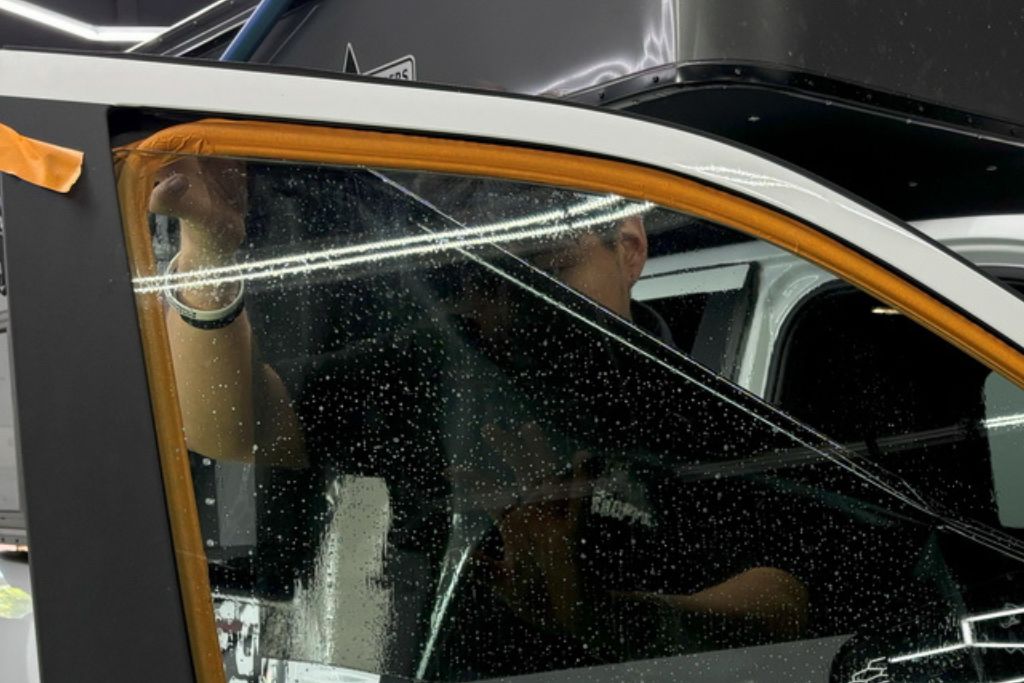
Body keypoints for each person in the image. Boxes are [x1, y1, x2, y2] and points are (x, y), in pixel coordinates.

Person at [150, 158, 809, 676]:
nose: (507, 308)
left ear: (629, 246)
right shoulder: (438, 370)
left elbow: (789, 600)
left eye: (546, 271)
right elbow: (232, 426)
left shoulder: (691, 407)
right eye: (478, 283)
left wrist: (605, 616)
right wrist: (210, 247)